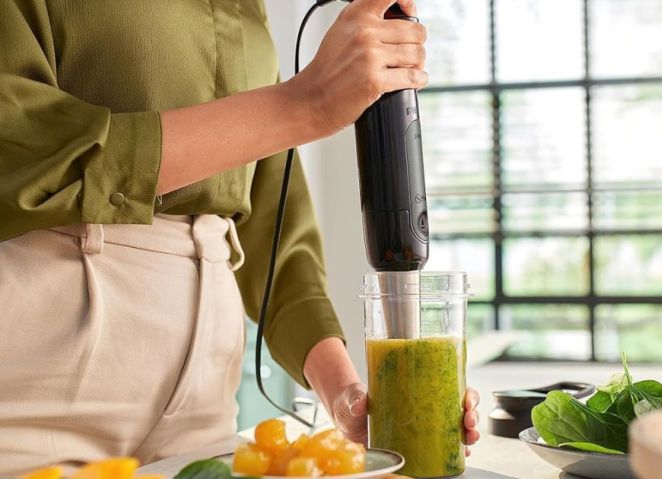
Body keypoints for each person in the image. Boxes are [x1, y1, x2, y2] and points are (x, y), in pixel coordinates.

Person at [0, 0, 480, 472]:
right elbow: (17, 147)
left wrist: (347, 397)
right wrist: (303, 104)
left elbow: (275, 230)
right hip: (42, 367)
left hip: (204, 392)